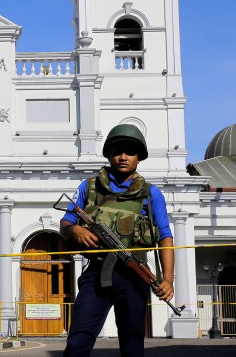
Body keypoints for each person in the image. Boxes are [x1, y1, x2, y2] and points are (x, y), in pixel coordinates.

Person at [61, 124, 175, 357]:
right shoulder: (89, 187)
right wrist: (75, 231)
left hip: (134, 275)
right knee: (76, 345)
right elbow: (65, 223)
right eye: (117, 151)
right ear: (109, 155)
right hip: (96, 274)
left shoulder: (151, 194)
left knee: (132, 347)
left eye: (130, 152)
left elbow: (165, 236)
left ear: (138, 158)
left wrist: (168, 279)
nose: (123, 157)